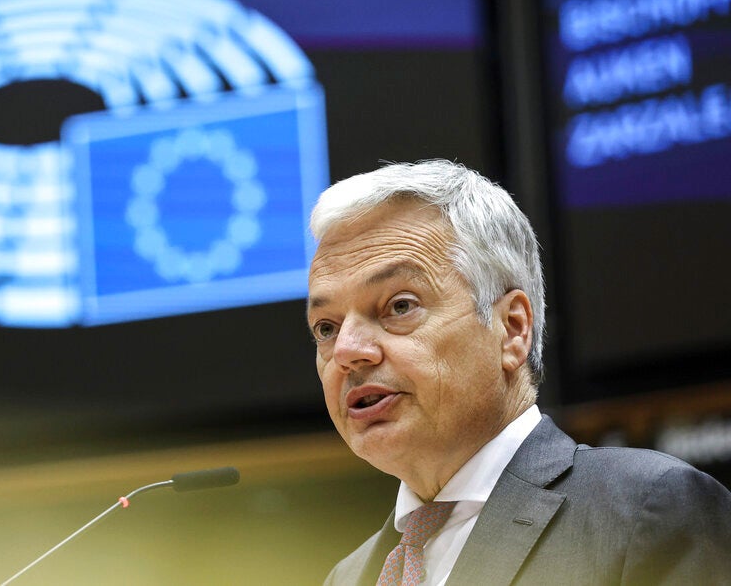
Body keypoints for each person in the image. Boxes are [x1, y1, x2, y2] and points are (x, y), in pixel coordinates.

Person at [306, 159, 731, 585]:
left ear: (512, 329)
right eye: (326, 328)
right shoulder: (345, 578)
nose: (347, 351)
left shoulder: (647, 510)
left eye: (400, 306)